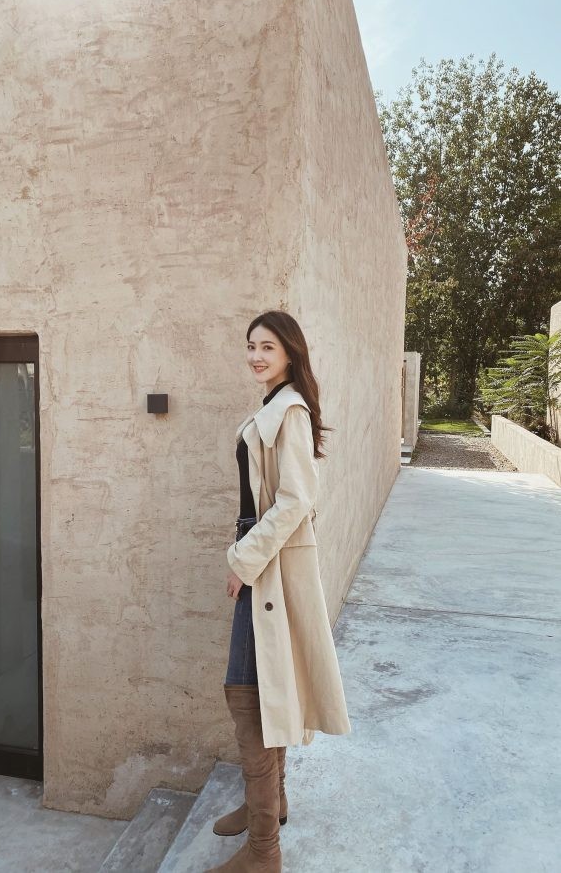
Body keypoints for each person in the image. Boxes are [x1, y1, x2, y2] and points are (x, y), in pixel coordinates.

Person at [205, 311, 351, 873]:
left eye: (267, 346)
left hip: (265, 561)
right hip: (261, 554)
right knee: (265, 682)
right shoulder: (274, 406)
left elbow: (294, 501)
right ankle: (272, 801)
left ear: (290, 351)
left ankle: (264, 851)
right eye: (251, 346)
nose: (256, 356)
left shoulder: (289, 411)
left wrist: (242, 561)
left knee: (247, 692)